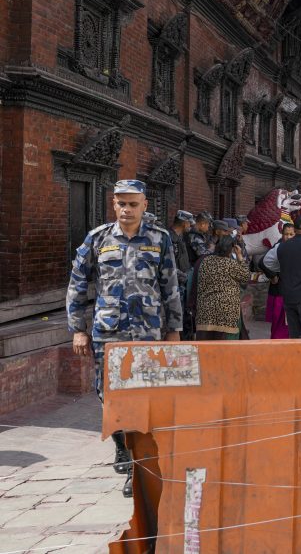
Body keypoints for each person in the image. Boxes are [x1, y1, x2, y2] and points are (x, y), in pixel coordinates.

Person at [66, 179, 182, 498]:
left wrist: (174, 331)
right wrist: (78, 328)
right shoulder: (97, 239)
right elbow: (77, 284)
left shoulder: (160, 240)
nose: (127, 209)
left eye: (133, 203)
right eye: (121, 203)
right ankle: (123, 448)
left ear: (145, 205)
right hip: (109, 334)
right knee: (110, 396)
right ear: (113, 204)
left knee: (147, 399)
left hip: (149, 333)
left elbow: (170, 287)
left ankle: (138, 467)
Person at [191, 235, 250, 340]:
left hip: (206, 313)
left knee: (206, 349)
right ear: (232, 249)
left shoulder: (205, 262)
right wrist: (240, 256)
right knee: (226, 351)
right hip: (227, 315)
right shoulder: (231, 264)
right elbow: (246, 277)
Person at [264, 223, 295, 338]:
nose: (288, 237)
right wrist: (272, 276)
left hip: (289, 291)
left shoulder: (295, 247)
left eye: (291, 234)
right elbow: (262, 262)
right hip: (278, 291)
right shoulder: (278, 247)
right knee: (278, 322)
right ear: (282, 235)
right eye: (286, 234)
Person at [171, 210, 196, 340]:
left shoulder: (180, 238)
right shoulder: (170, 239)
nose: (190, 227)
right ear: (184, 223)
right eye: (189, 224)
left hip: (183, 284)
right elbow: (169, 266)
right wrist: (185, 277)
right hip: (175, 285)